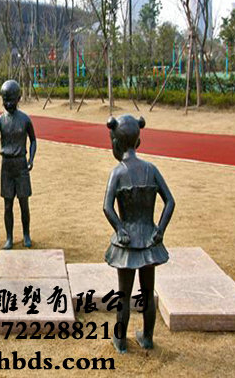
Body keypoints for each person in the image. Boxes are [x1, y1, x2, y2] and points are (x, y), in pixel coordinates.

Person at [103, 115, 175, 353]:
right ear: (138, 141)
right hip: (148, 239)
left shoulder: (117, 173)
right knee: (147, 291)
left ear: (115, 142)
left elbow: (107, 207)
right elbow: (170, 201)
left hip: (127, 241)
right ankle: (147, 338)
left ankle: (120, 340)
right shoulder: (150, 169)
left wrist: (120, 229)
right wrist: (159, 230)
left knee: (123, 295)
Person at [0, 80, 37, 250]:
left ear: (18, 98)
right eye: (5, 100)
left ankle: (26, 235)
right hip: (6, 166)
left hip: (21, 165)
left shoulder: (25, 119)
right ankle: (9, 237)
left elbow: (33, 140)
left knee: (24, 203)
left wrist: (31, 159)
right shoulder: (1, 120)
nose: (8, 103)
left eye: (11, 100)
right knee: (7, 205)